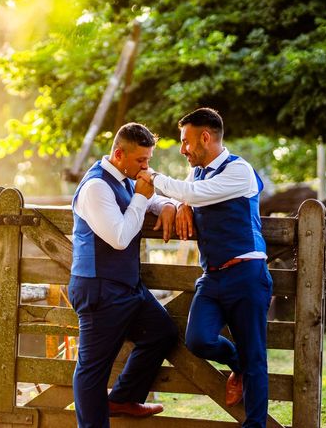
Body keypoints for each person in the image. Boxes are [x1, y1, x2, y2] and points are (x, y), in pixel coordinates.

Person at [139, 107, 272, 428]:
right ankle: (236, 363)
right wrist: (178, 205)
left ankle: (254, 424)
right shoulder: (196, 173)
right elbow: (190, 195)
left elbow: (195, 194)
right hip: (212, 278)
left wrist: (156, 178)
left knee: (256, 355)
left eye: (185, 141)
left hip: (246, 274)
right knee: (198, 340)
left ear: (206, 137)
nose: (183, 149)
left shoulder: (238, 170)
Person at [69, 122, 179, 428]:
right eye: (141, 161)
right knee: (93, 370)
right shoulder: (95, 187)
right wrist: (144, 199)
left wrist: (167, 203)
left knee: (162, 333)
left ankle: (123, 399)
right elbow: (119, 237)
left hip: (128, 289)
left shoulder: (126, 178)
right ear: (119, 154)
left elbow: (146, 198)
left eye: (148, 160)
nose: (147, 167)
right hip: (99, 289)